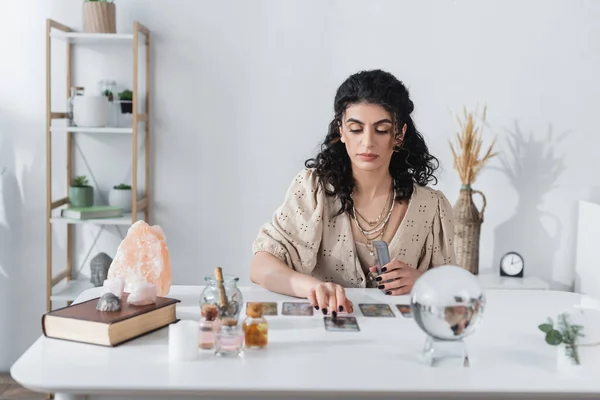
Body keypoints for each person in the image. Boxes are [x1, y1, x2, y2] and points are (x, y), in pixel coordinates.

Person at [250, 69, 456, 317]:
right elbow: (260, 265)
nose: (367, 142)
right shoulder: (313, 191)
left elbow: (456, 289)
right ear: (341, 131)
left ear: (399, 135)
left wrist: (423, 280)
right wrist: (312, 288)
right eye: (356, 128)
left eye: (381, 129)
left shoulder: (431, 206)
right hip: (324, 339)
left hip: (403, 344)